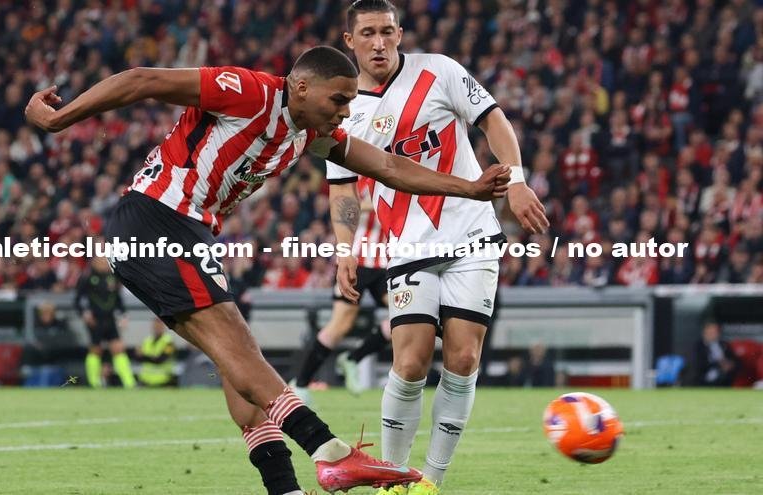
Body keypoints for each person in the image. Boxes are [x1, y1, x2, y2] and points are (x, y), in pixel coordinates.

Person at [25, 45, 510, 494]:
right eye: (338, 99)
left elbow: (388, 167)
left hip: (185, 233)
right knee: (239, 349)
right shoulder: (249, 91)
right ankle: (331, 451)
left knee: (239, 366)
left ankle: (287, 489)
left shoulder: (310, 133)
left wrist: (468, 188)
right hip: (156, 220)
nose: (345, 111)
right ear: (301, 87)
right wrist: (60, 119)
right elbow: (142, 79)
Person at [324, 2, 548, 493]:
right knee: (409, 363)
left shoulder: (440, 72)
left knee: (464, 359)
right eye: (367, 33)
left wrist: (516, 181)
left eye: (386, 31)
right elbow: (342, 187)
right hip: (405, 244)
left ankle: (431, 481)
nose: (378, 42)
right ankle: (392, 479)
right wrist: (346, 249)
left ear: (400, 33)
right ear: (349, 40)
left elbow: (493, 120)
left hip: (472, 235)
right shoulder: (341, 107)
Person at [291, 177, 392, 403]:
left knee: (405, 316)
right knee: (340, 325)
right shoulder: (358, 178)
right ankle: (300, 384)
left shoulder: (395, 173)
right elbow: (343, 205)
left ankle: (354, 359)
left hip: (386, 263)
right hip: (355, 260)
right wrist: (375, 203)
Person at [74, 256, 135, 388]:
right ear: (94, 263)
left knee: (118, 348)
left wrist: (123, 315)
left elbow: (117, 299)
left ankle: (129, 383)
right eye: (101, 261)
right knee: (96, 350)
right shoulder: (87, 278)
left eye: (105, 261)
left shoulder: (113, 278)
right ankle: (94, 382)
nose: (104, 264)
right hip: (95, 320)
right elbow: (78, 300)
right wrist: (85, 313)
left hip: (110, 319)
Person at [694, 322, 738, 387]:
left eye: (715, 332)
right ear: (705, 332)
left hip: (726, 373)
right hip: (708, 372)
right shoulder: (699, 346)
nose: (714, 334)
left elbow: (734, 359)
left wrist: (730, 364)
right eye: (711, 332)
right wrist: (719, 364)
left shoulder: (724, 344)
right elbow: (699, 364)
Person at [137, 318, 177, 387]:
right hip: (146, 381)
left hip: (164, 382)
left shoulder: (169, 342)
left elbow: (160, 360)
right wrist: (147, 357)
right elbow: (138, 358)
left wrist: (144, 356)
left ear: (163, 327)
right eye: (155, 325)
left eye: (159, 325)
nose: (157, 328)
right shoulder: (147, 340)